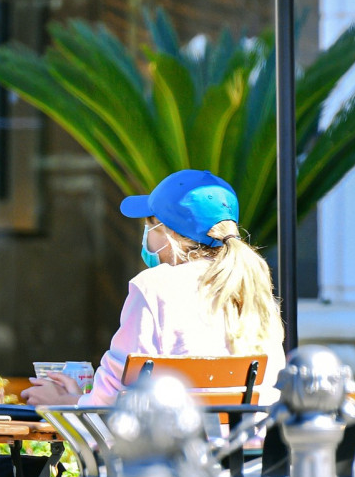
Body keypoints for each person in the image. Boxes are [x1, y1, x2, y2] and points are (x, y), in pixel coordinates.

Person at [21, 169, 286, 407]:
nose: (146, 236)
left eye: (149, 226)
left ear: (167, 233)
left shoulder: (154, 286)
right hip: (249, 453)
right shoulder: (252, 288)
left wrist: (63, 401)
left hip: (173, 455)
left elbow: (111, 397)